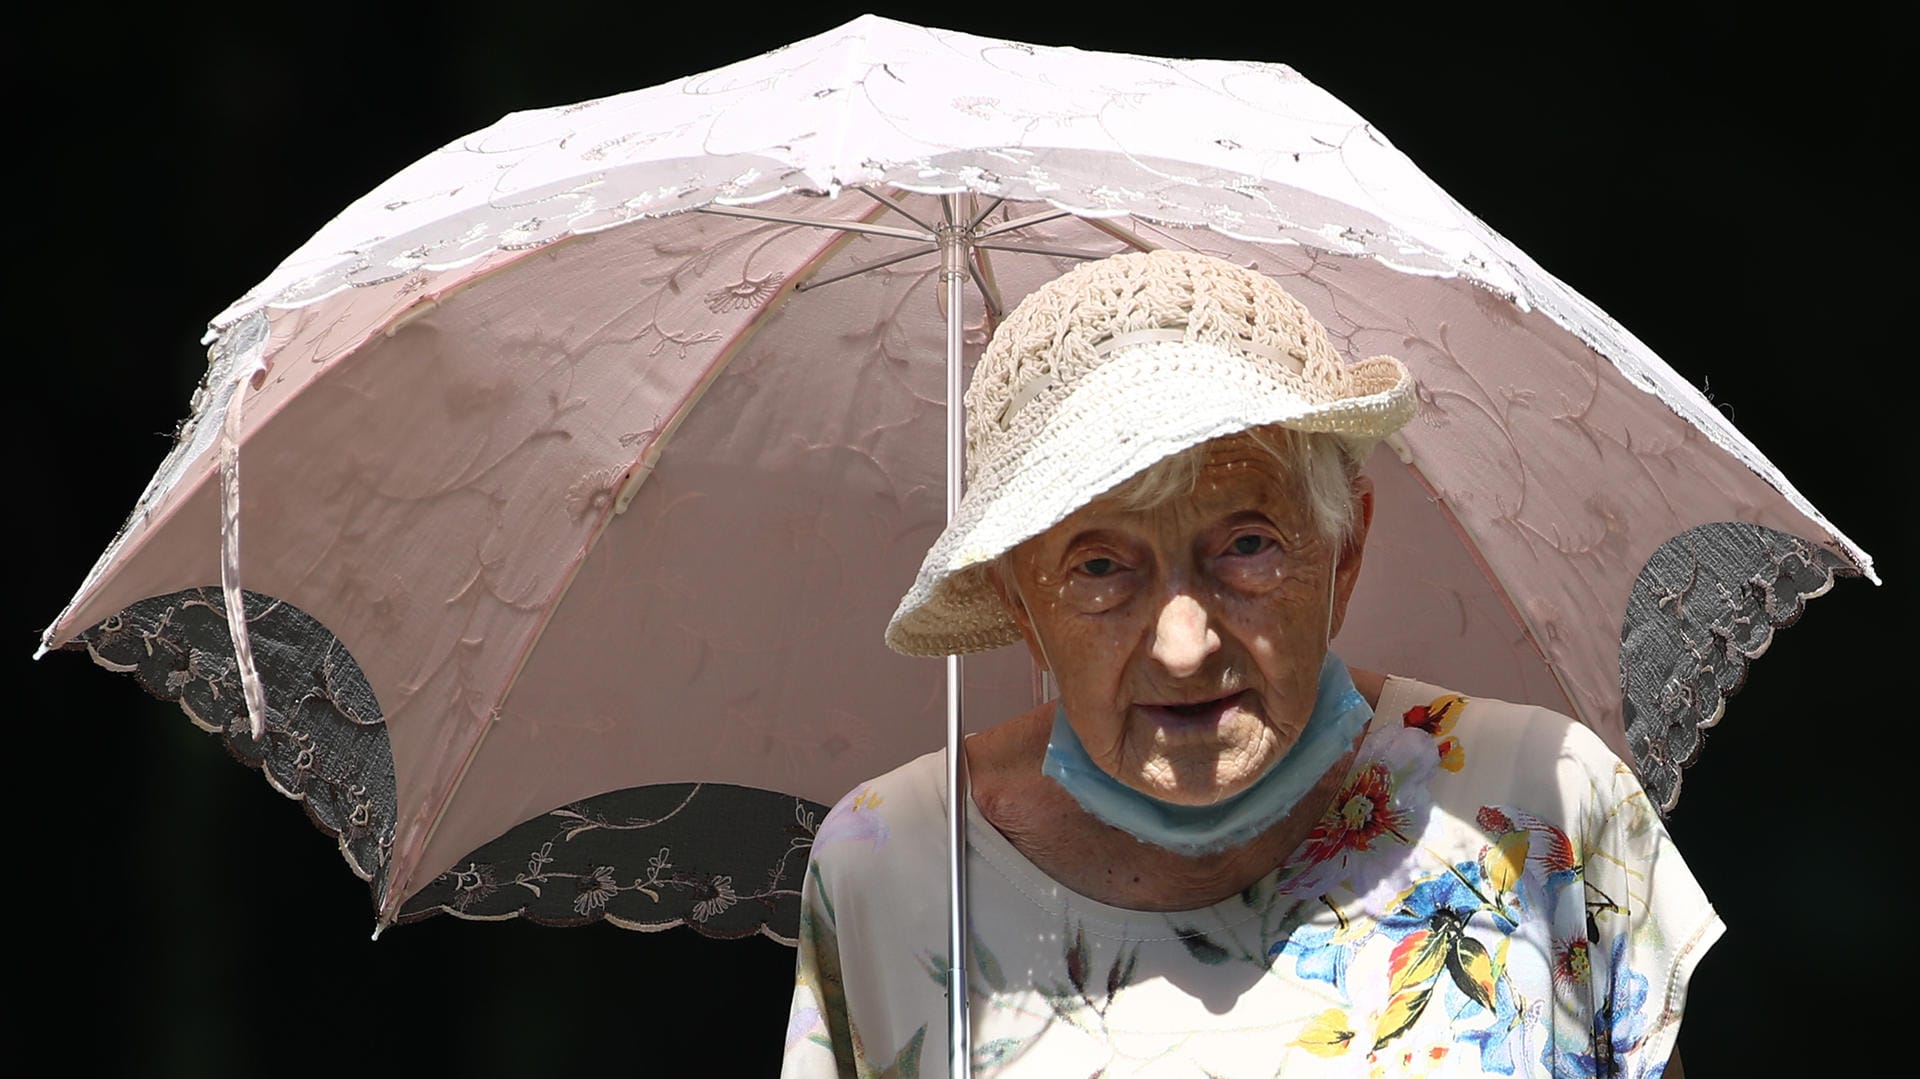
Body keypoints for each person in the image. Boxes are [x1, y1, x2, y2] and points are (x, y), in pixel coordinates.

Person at [780, 251, 1716, 1077]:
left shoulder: (1543, 804)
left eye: (1247, 545)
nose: (1185, 647)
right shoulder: (894, 862)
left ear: (1343, 555)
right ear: (1021, 603)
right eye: (1101, 566)